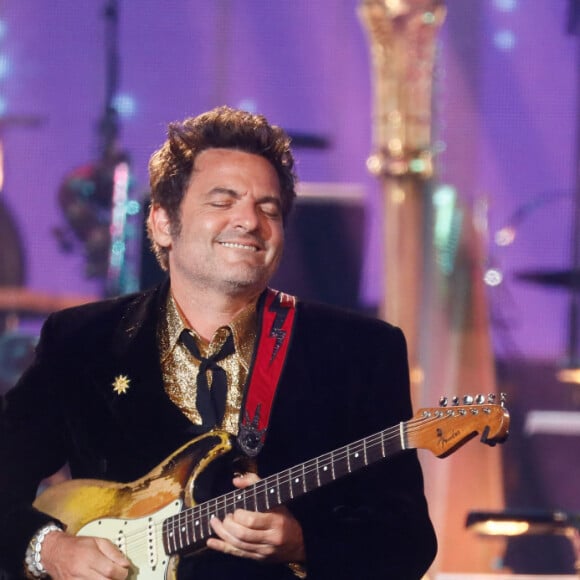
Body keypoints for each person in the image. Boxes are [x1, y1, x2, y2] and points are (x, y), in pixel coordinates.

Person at [0, 106, 437, 580]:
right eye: (222, 201)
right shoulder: (82, 341)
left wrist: (305, 542)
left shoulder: (360, 352)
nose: (249, 221)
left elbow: (408, 540)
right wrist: (47, 549)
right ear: (163, 223)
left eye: (268, 208)